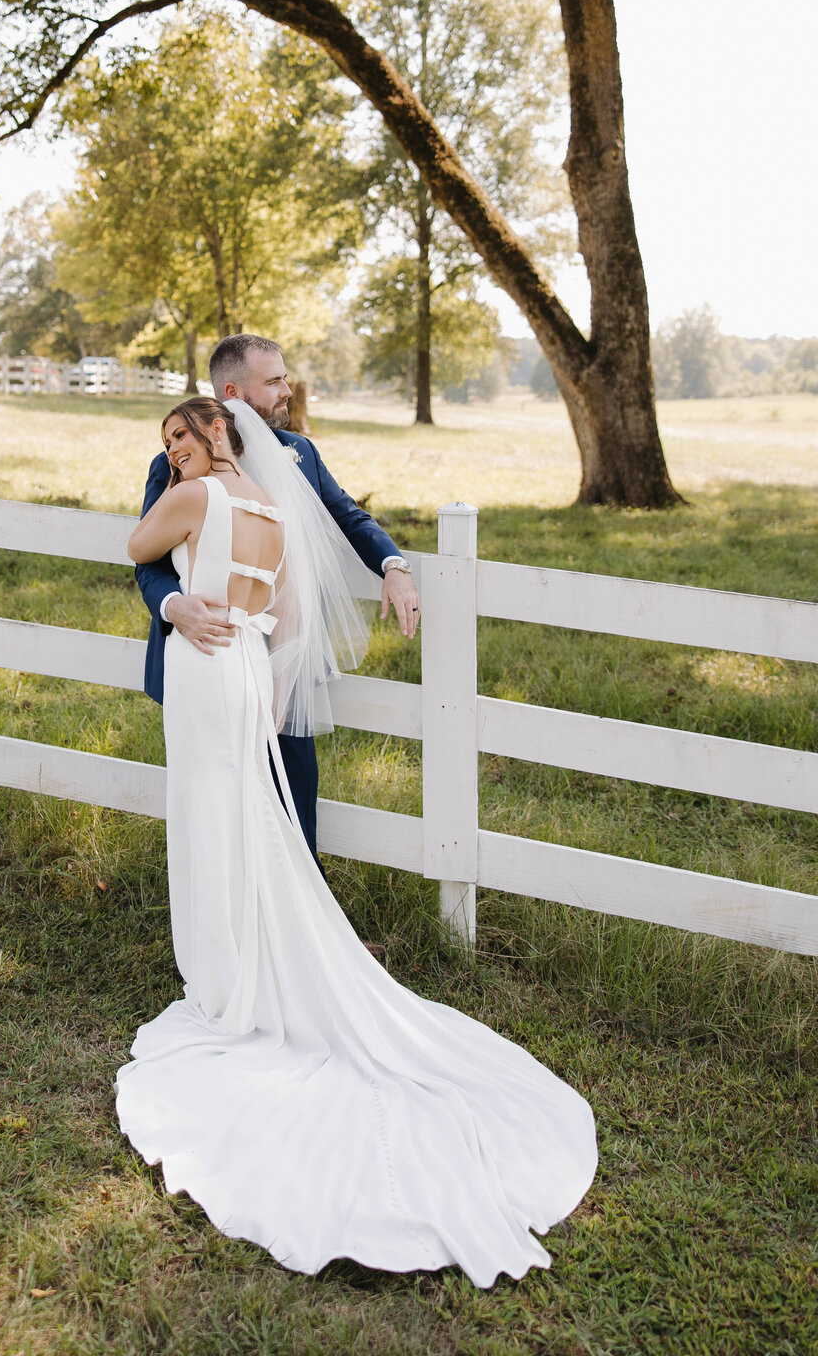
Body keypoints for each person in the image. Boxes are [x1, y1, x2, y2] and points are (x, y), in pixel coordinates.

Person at [117, 394, 597, 1283]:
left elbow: (135, 547)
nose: (174, 450)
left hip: (206, 666)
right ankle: (245, 957)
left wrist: (182, 590)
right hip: (253, 665)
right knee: (246, 816)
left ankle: (222, 980)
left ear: (219, 432)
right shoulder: (272, 508)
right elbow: (288, 609)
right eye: (168, 442)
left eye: (183, 435)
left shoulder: (193, 497)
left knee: (210, 812)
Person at [134, 334, 420, 861]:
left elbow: (348, 515)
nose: (287, 390)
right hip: (212, 648)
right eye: (274, 381)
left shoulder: (301, 452)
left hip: (286, 649)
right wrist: (176, 607)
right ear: (233, 392)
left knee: (295, 784)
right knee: (220, 784)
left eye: (284, 378)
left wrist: (393, 565)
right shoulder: (176, 458)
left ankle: (301, 915)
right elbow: (147, 559)